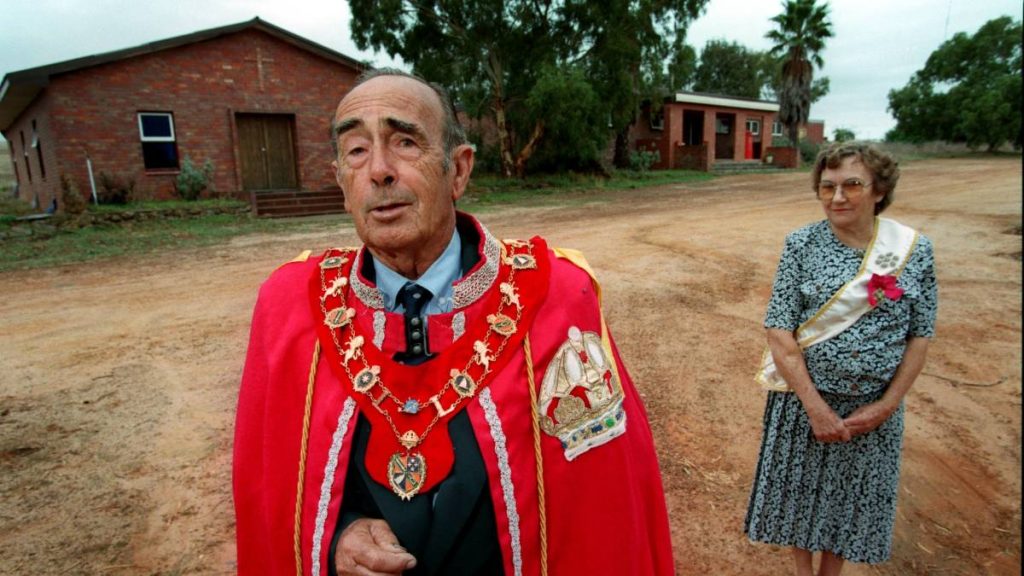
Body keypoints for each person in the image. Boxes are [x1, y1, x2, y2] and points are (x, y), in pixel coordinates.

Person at [233, 68, 675, 576]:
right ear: (340, 180)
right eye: (356, 150)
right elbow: (272, 489)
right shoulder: (291, 308)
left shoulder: (557, 294)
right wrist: (338, 533)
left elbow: (608, 503)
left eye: (404, 142)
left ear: (458, 171)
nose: (379, 170)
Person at [746, 141, 937, 575]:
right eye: (827, 186)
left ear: (878, 190)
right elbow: (779, 328)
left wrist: (886, 406)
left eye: (852, 185)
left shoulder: (913, 251)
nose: (837, 197)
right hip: (803, 403)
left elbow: (920, 335)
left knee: (849, 503)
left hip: (872, 408)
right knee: (797, 500)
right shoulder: (801, 244)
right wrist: (815, 408)